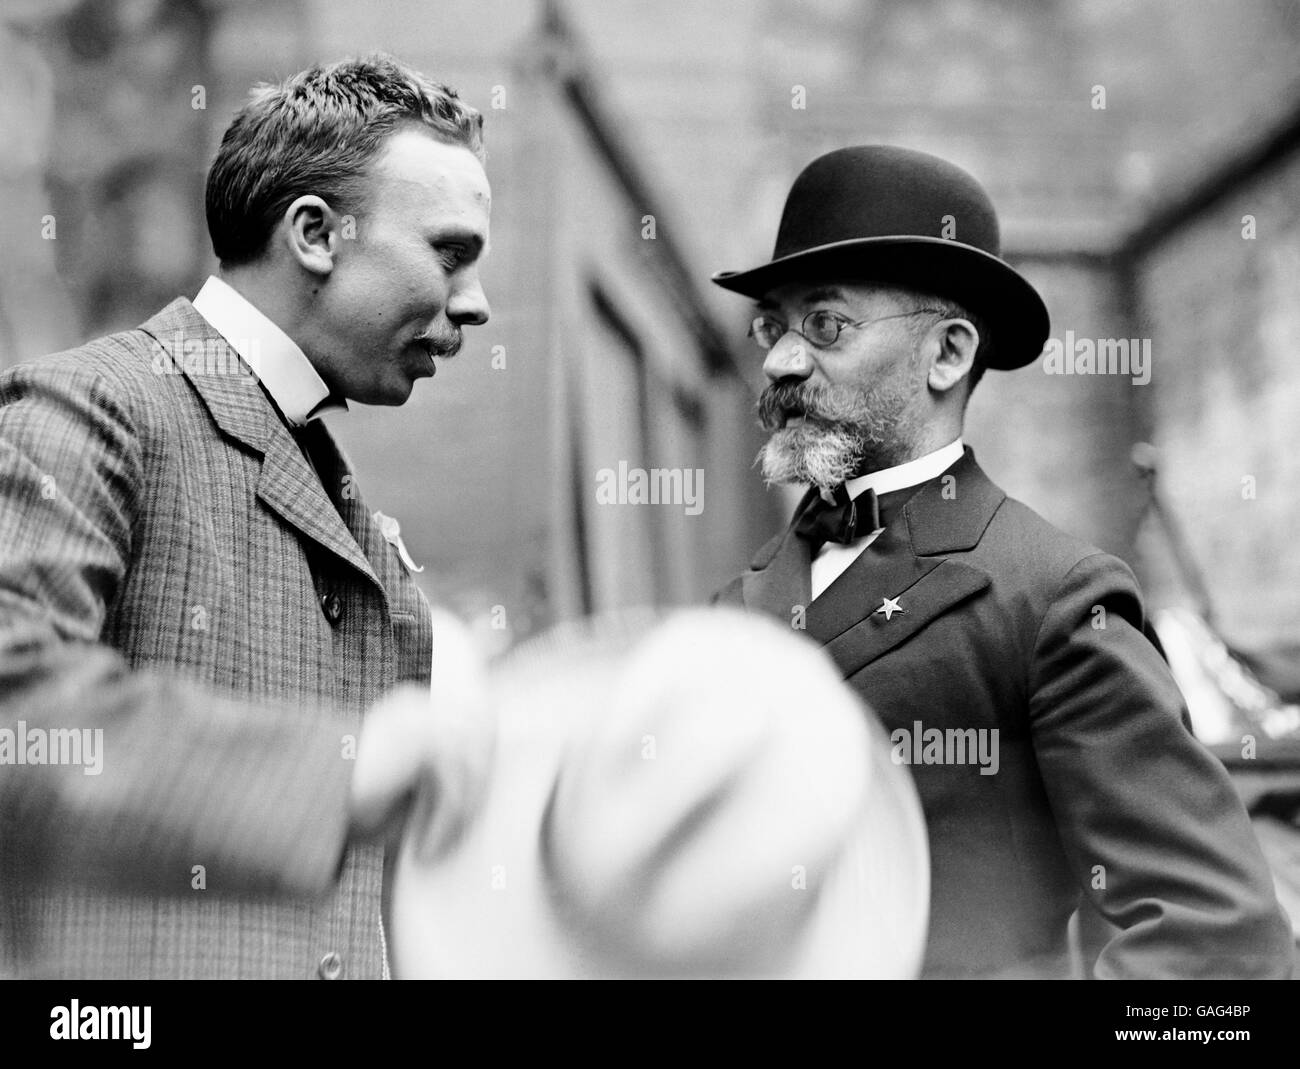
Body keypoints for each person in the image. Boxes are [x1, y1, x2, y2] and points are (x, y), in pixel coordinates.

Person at [711, 144, 1295, 979]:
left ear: (947, 354)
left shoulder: (1054, 597)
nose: (780, 360)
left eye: (825, 324)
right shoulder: (738, 603)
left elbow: (1217, 943)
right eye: (772, 325)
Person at [0, 54, 495, 979]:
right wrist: (343, 767)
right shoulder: (92, 407)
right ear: (315, 233)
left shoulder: (337, 491)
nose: (475, 303)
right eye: (449, 252)